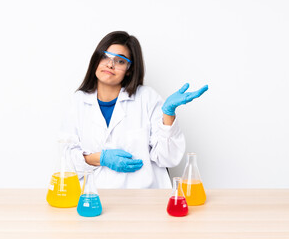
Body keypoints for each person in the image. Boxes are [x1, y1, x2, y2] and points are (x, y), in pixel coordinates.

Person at [61, 31, 208, 189]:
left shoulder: (147, 98)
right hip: (93, 197)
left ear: (129, 69)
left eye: (120, 61)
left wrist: (168, 115)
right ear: (96, 59)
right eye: (105, 56)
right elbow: (67, 160)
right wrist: (100, 158)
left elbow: (169, 158)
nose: (110, 64)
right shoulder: (79, 101)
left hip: (144, 198)